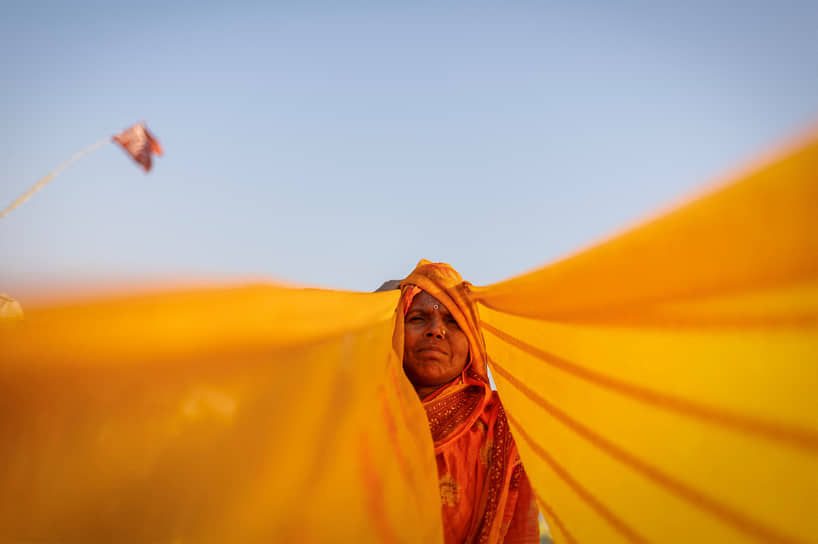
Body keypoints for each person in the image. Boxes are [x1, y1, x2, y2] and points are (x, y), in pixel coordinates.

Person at [389, 260, 540, 544]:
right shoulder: (358, 412)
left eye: (453, 321)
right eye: (417, 318)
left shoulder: (506, 426)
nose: (436, 331)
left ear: (472, 341)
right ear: (394, 329)